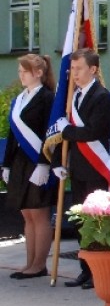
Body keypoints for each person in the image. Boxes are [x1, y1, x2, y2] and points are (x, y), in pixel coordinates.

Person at [51, 49, 110, 289]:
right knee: (80, 221)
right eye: (72, 69)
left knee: (96, 221)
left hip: (95, 168)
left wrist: (67, 130)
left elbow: (93, 131)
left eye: (78, 69)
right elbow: (64, 134)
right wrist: (58, 162)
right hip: (78, 168)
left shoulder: (101, 96)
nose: (73, 73)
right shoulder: (73, 96)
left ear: (93, 69)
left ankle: (100, 271)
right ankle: (86, 269)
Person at [3, 54, 55, 279]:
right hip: (19, 161)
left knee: (39, 213)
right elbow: (12, 134)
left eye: (25, 71)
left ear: (39, 73)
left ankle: (39, 264)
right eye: (20, 71)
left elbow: (49, 132)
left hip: (37, 162)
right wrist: (6, 164)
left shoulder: (47, 98)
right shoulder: (20, 99)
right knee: (27, 214)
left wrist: (44, 163)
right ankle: (29, 262)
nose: (21, 75)